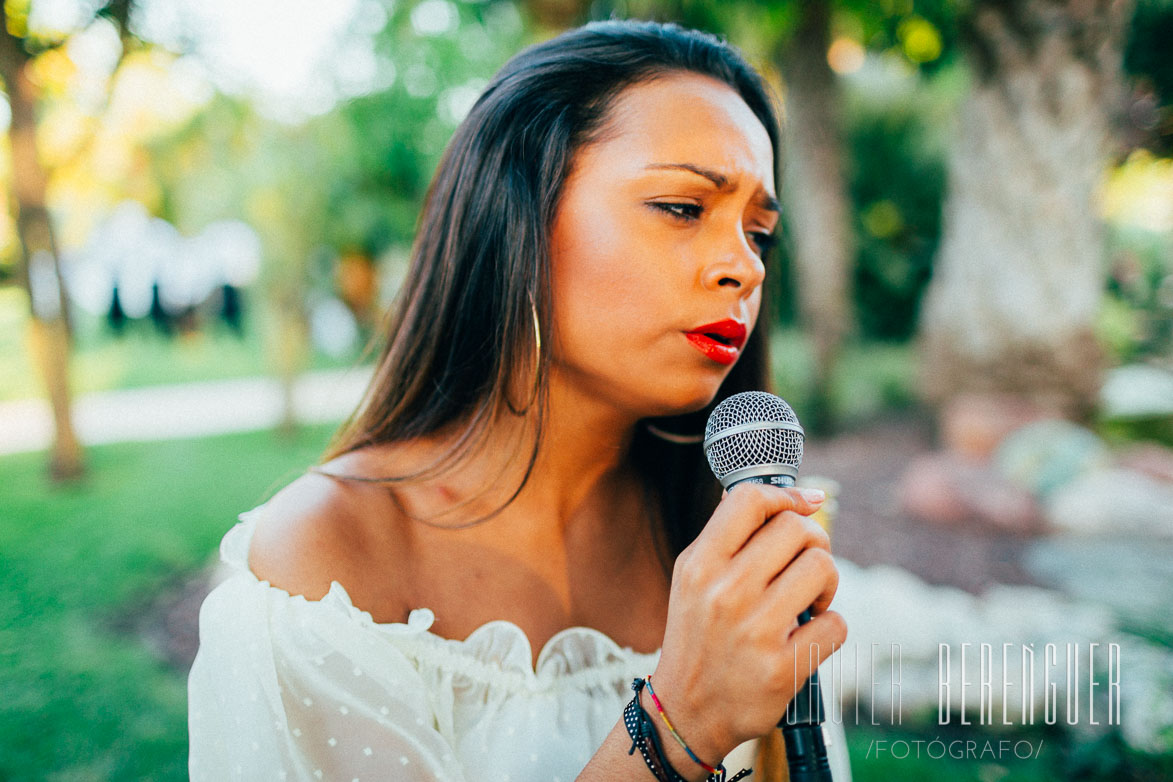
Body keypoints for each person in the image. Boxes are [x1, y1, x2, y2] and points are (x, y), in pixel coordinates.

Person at [188, 19, 850, 782]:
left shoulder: (709, 529)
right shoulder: (322, 563)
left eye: (759, 233)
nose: (743, 266)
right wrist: (678, 728)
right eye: (682, 207)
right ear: (518, 218)